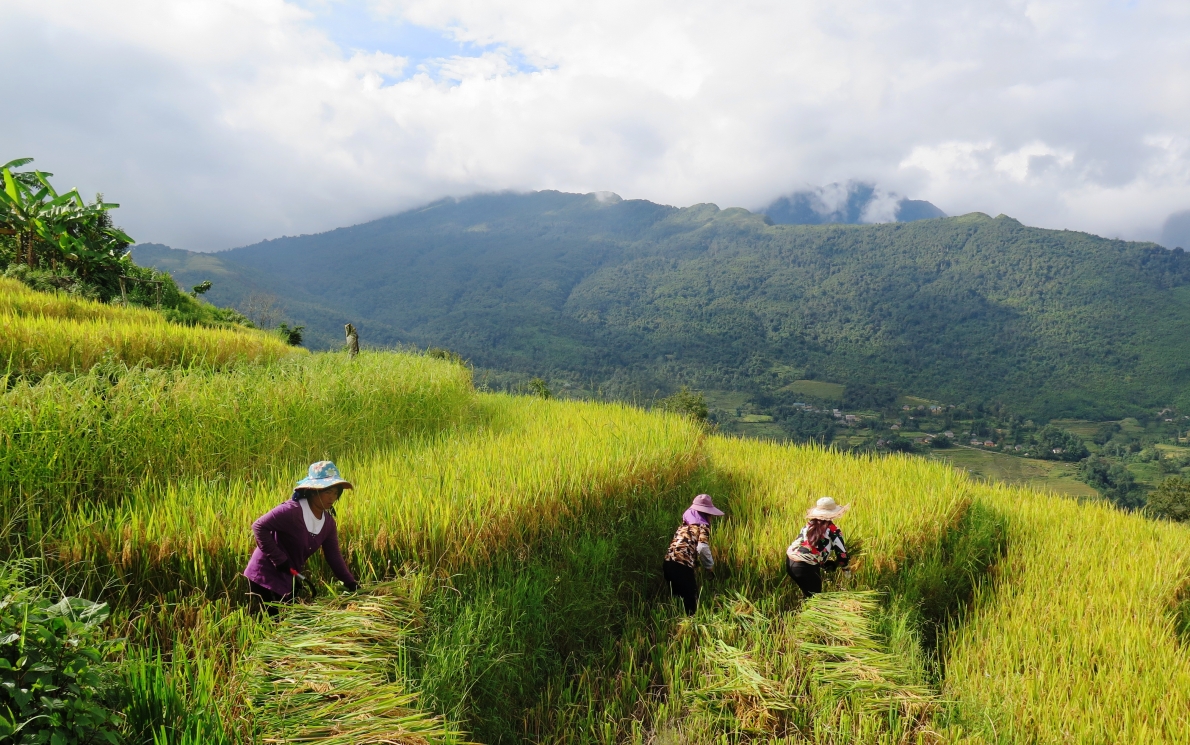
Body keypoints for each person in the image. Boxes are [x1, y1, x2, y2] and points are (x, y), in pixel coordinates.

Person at [243, 461, 359, 615]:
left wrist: (350, 583)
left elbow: (333, 555)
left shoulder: (328, 523)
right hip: (265, 573)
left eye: (335, 492)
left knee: (289, 619)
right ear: (313, 491)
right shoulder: (292, 511)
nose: (332, 498)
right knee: (275, 621)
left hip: (289, 574)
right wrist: (278, 559)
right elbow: (258, 526)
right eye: (327, 492)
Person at [663, 494, 724, 615]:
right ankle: (691, 625)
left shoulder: (683, 527)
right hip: (682, 567)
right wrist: (709, 566)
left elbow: (683, 549)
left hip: (667, 564)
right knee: (691, 601)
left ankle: (678, 623)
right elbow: (702, 548)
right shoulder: (703, 527)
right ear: (706, 515)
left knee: (678, 599)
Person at [785, 497, 850, 598]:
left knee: (809, 596)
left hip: (790, 563)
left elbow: (809, 548)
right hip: (805, 566)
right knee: (816, 601)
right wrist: (845, 568)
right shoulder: (833, 530)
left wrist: (824, 564)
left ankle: (804, 611)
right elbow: (842, 554)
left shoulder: (809, 525)